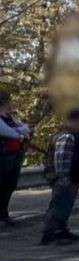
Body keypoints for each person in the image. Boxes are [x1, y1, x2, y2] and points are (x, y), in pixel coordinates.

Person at [41, 108, 79, 245]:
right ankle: (51, 233)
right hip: (64, 179)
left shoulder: (74, 135)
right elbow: (61, 159)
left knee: (65, 206)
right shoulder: (67, 136)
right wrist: (64, 178)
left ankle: (61, 230)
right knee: (59, 206)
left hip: (71, 178)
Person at [0, 91, 31, 227]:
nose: (10, 103)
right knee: (2, 185)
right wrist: (19, 132)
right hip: (3, 156)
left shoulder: (9, 117)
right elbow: (9, 132)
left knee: (10, 185)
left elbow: (26, 129)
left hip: (15, 154)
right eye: (8, 101)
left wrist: (19, 132)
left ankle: (3, 214)